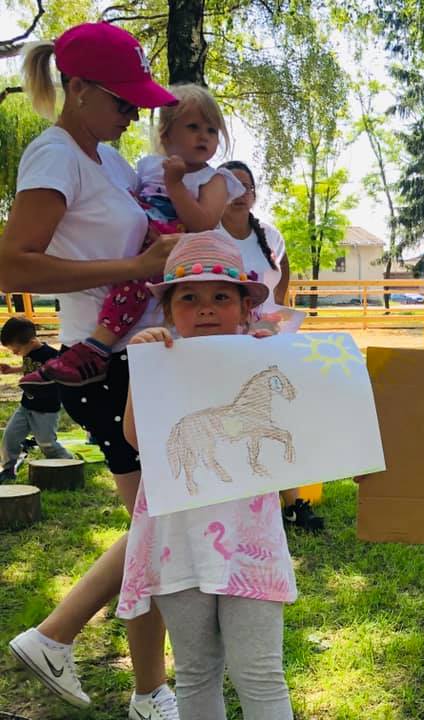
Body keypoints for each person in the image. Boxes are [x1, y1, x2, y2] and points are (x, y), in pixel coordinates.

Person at [0, 22, 181, 719]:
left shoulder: (107, 159)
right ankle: (66, 642)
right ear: (76, 89)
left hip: (145, 357)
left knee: (158, 524)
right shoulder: (54, 155)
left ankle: (142, 686)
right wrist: (135, 264)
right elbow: (13, 264)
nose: (133, 113)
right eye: (122, 100)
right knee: (158, 523)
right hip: (107, 367)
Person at [119, 232, 297, 720]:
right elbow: (136, 438)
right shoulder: (158, 360)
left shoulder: (263, 353)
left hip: (251, 541)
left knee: (260, 672)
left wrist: (275, 357)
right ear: (168, 310)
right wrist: (141, 370)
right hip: (177, 541)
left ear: (244, 308)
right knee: (195, 670)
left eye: (221, 296)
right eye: (189, 298)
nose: (205, 309)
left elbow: (303, 429)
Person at [21, 83, 244, 388]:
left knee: (135, 285)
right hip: (146, 256)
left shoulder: (215, 178)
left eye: (212, 130)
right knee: (130, 283)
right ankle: (91, 350)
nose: (204, 136)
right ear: (166, 134)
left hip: (176, 254)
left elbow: (203, 223)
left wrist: (175, 185)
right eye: (193, 127)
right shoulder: (147, 166)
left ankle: (96, 347)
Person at [219, 160, 324, 533]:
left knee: (278, 418)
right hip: (223, 346)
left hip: (267, 341)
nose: (239, 193)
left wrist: (275, 311)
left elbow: (282, 271)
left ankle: (294, 502)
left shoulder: (269, 234)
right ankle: (242, 504)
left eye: (246, 186)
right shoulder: (205, 233)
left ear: (254, 193)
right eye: (229, 185)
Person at [0, 316, 73, 480]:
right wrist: (12, 369)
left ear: (32, 342)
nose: (14, 353)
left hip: (46, 410)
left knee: (46, 443)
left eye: (16, 350)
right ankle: (8, 469)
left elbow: (61, 376)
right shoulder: (28, 351)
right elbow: (30, 366)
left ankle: (69, 463)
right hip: (25, 407)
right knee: (9, 438)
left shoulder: (52, 356)